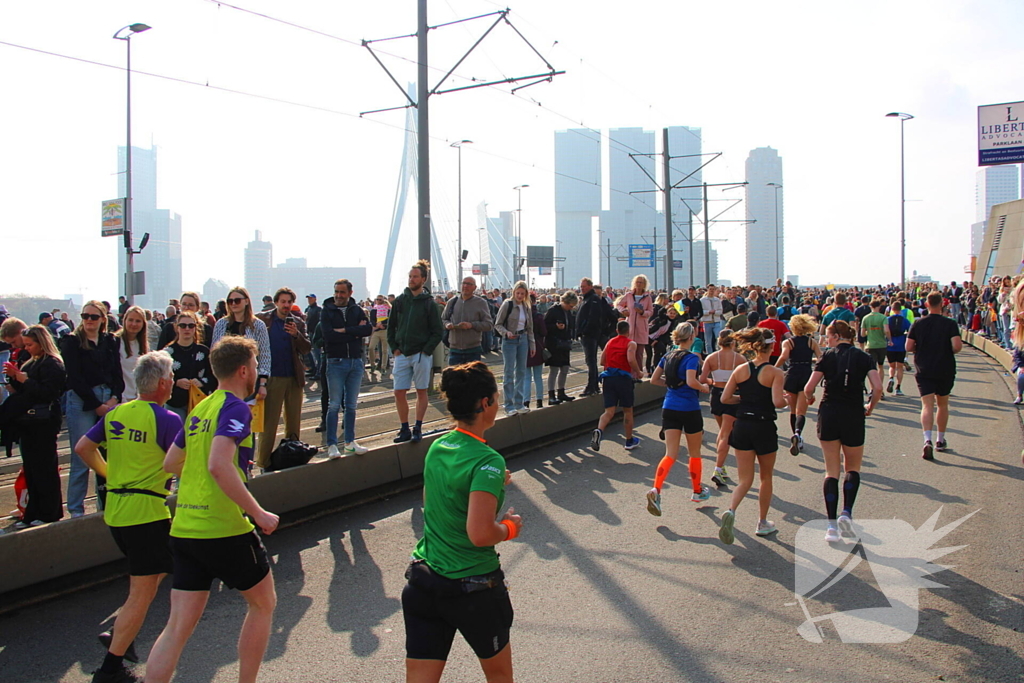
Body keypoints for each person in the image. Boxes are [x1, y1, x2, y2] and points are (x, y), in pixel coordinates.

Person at [145, 337, 279, 683]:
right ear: (244, 370)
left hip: (185, 527)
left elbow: (171, 462)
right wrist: (258, 513)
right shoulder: (236, 408)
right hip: (223, 527)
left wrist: (200, 472)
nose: (255, 372)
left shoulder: (200, 408)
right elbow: (219, 465)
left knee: (177, 627)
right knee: (263, 604)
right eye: (254, 365)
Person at [401, 361, 520, 683]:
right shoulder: (488, 460)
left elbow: (435, 501)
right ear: (485, 403)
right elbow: (480, 534)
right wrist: (510, 528)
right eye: (497, 397)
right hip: (474, 589)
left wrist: (491, 483)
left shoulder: (439, 446)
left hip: (424, 582)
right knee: (499, 676)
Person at [76, 351, 181, 683]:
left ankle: (123, 631)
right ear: (162, 383)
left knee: (156, 573)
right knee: (143, 590)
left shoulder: (117, 413)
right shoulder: (167, 419)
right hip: (146, 513)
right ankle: (110, 669)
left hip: (117, 511)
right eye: (171, 378)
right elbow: (180, 463)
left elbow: (82, 448)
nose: (173, 383)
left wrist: (110, 474)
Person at [804, 319, 881, 543]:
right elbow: (877, 387)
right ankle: (846, 513)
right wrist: (870, 406)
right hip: (853, 412)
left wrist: (810, 398)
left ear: (836, 336)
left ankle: (830, 526)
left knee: (831, 470)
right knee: (852, 467)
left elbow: (809, 387)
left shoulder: (827, 356)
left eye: (828, 336)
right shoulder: (864, 357)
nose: (826, 341)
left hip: (829, 412)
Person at [718, 327, 787, 544]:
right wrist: (787, 400)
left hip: (742, 425)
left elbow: (725, 399)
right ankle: (762, 522)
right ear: (772, 346)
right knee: (766, 477)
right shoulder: (775, 372)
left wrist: (744, 400)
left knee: (744, 479)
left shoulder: (741, 369)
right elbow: (777, 402)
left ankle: (731, 510)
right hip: (764, 426)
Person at [60, 301, 125, 517]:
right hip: (82, 400)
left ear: (103, 319)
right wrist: (96, 405)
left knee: (108, 454)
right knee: (81, 455)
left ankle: (106, 504)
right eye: (85, 316)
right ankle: (75, 511)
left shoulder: (110, 340)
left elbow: (117, 372)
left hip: (108, 397)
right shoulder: (72, 341)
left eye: (94, 317)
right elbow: (74, 377)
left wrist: (114, 398)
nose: (89, 320)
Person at [1, 325, 66, 528]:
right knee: (31, 469)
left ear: (41, 343)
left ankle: (49, 512)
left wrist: (24, 379)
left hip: (44, 423)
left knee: (44, 469)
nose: (27, 348)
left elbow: (48, 393)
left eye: (30, 345)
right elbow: (25, 391)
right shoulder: (31, 363)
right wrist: (14, 380)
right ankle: (33, 512)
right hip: (28, 423)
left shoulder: (53, 364)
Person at [645, 322, 711, 516]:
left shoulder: (667, 356)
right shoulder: (691, 358)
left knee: (670, 454)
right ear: (691, 337)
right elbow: (691, 381)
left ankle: (656, 489)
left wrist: (671, 385)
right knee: (694, 452)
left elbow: (654, 379)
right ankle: (697, 490)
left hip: (669, 406)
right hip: (689, 408)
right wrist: (703, 387)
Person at [254, 287, 310, 468]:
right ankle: (263, 462)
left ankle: (292, 458)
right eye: (283, 302)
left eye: (289, 302)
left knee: (293, 422)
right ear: (276, 302)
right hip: (272, 377)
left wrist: (296, 335)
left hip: (294, 377)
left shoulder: (298, 322)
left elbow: (306, 348)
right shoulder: (262, 319)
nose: (286, 305)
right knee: (269, 423)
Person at [389, 260, 444, 442]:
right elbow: (391, 327)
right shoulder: (400, 301)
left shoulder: (429, 304)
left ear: (423, 279)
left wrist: (426, 350)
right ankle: (404, 428)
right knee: (399, 392)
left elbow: (438, 331)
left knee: (421, 391)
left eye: (415, 277)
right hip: (402, 354)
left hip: (421, 354)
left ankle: (418, 427)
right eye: (410, 276)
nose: (411, 279)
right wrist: (394, 348)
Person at [906, 291, 963, 459]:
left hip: (924, 368)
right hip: (945, 367)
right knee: (942, 404)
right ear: (942, 304)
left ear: (926, 304)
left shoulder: (918, 323)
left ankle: (927, 439)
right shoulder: (950, 324)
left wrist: (919, 348)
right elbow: (957, 346)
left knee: (927, 405)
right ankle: (940, 439)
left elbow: (908, 347)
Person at [320, 279, 372, 458]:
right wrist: (354, 332)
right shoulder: (326, 311)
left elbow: (367, 330)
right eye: (336, 291)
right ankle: (332, 444)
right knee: (334, 404)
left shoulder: (356, 310)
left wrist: (343, 330)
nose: (338, 295)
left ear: (350, 293)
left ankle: (350, 441)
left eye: (342, 292)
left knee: (351, 405)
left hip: (355, 361)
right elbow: (329, 336)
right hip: (336, 361)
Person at [699, 328, 745, 487]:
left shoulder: (711, 357)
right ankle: (718, 469)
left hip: (716, 395)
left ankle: (722, 466)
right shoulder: (740, 359)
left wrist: (713, 382)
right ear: (733, 342)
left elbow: (702, 378)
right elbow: (745, 380)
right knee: (726, 434)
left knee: (722, 432)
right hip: (732, 395)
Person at [590, 320, 643, 452]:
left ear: (617, 330)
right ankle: (629, 440)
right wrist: (638, 372)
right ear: (629, 331)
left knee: (609, 411)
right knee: (627, 410)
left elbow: (602, 361)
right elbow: (631, 359)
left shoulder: (610, 342)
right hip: (623, 379)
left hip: (608, 378)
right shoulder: (631, 343)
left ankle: (599, 430)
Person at [774, 314, 821, 455]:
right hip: (806, 373)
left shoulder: (788, 342)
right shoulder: (811, 342)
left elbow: (784, 357)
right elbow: (820, 357)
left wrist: (774, 368)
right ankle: (798, 433)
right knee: (802, 411)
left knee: (793, 410)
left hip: (792, 373)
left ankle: (794, 434)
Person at [164, 311, 216, 421]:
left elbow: (214, 377)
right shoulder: (167, 353)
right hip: (174, 403)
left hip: (199, 403)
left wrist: (201, 382)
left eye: (191, 326)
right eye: (183, 326)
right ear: (176, 327)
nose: (187, 329)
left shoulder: (204, 351)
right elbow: (160, 379)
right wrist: (176, 382)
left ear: (196, 327)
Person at [494, 281, 536, 417]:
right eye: (518, 293)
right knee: (509, 373)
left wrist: (532, 345)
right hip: (510, 341)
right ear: (514, 292)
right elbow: (498, 324)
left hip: (523, 339)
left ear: (526, 294)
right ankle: (509, 405)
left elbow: (530, 328)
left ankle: (519, 403)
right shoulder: (508, 304)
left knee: (521, 372)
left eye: (522, 294)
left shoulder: (526, 306)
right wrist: (506, 332)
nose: (519, 296)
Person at [442, 276, 494, 366]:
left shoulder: (481, 303)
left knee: (473, 375)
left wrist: (471, 325)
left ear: (475, 287)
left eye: (469, 284)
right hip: (454, 350)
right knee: (454, 375)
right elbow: (443, 319)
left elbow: (489, 325)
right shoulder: (452, 302)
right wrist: (447, 324)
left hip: (473, 350)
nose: (465, 286)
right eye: (464, 283)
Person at [616, 275, 654, 380]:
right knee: (629, 352)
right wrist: (624, 311)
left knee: (639, 354)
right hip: (630, 328)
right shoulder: (629, 295)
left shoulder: (647, 297)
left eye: (641, 282)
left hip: (642, 328)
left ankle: (638, 376)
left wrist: (642, 312)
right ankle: (628, 374)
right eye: (637, 282)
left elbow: (650, 311)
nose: (639, 284)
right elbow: (619, 305)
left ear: (644, 284)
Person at [544, 291, 578, 406]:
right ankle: (551, 395)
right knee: (554, 370)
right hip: (554, 344)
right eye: (570, 306)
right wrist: (556, 327)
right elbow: (544, 326)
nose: (571, 308)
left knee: (565, 368)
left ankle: (561, 392)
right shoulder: (553, 310)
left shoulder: (568, 312)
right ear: (565, 302)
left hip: (565, 343)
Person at [576, 278, 609, 397]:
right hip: (587, 334)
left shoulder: (593, 299)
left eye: (584, 286)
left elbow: (593, 317)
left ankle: (591, 386)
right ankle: (594, 385)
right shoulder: (587, 299)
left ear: (590, 286)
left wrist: (584, 330)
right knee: (590, 361)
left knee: (591, 361)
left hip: (590, 335)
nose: (582, 288)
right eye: (581, 286)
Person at [116, 306, 149, 402]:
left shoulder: (143, 345)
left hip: (137, 398)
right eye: (130, 320)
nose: (134, 324)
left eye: (138, 321)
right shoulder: (115, 342)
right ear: (124, 320)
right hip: (120, 397)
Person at [524, 293, 548, 410]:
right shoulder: (538, 316)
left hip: (524, 347)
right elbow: (544, 332)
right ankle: (539, 400)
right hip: (537, 347)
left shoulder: (522, 315)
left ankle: (526, 401)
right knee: (538, 377)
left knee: (526, 377)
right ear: (534, 302)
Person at [885, 300, 912, 397]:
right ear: (901, 309)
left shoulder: (887, 319)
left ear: (892, 309)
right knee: (900, 367)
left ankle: (891, 378)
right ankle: (898, 387)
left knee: (892, 366)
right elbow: (910, 331)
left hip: (890, 344)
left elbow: (885, 331)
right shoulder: (905, 320)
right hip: (901, 344)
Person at [861, 299, 889, 384]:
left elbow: (862, 334)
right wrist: (889, 338)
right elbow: (886, 330)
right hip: (881, 344)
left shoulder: (866, 318)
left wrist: (869, 332)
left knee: (872, 369)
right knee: (881, 366)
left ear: (870, 307)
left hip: (870, 345)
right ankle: (880, 386)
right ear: (879, 307)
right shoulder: (883, 317)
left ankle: (873, 387)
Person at [699, 285, 725, 353]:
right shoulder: (702, 300)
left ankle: (719, 352)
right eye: (710, 289)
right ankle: (709, 354)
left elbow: (720, 310)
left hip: (716, 321)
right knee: (708, 340)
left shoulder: (717, 300)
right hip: (707, 322)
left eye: (713, 289)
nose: (712, 291)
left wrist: (715, 312)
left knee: (718, 337)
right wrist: (708, 312)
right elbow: (701, 311)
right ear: (707, 290)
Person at [304, 293, 322, 381]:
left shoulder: (318, 309)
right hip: (309, 333)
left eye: (311, 298)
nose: (309, 300)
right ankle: (314, 370)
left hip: (316, 334)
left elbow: (320, 322)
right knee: (310, 352)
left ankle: (319, 373)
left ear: (315, 299)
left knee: (317, 354)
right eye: (308, 299)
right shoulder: (307, 309)